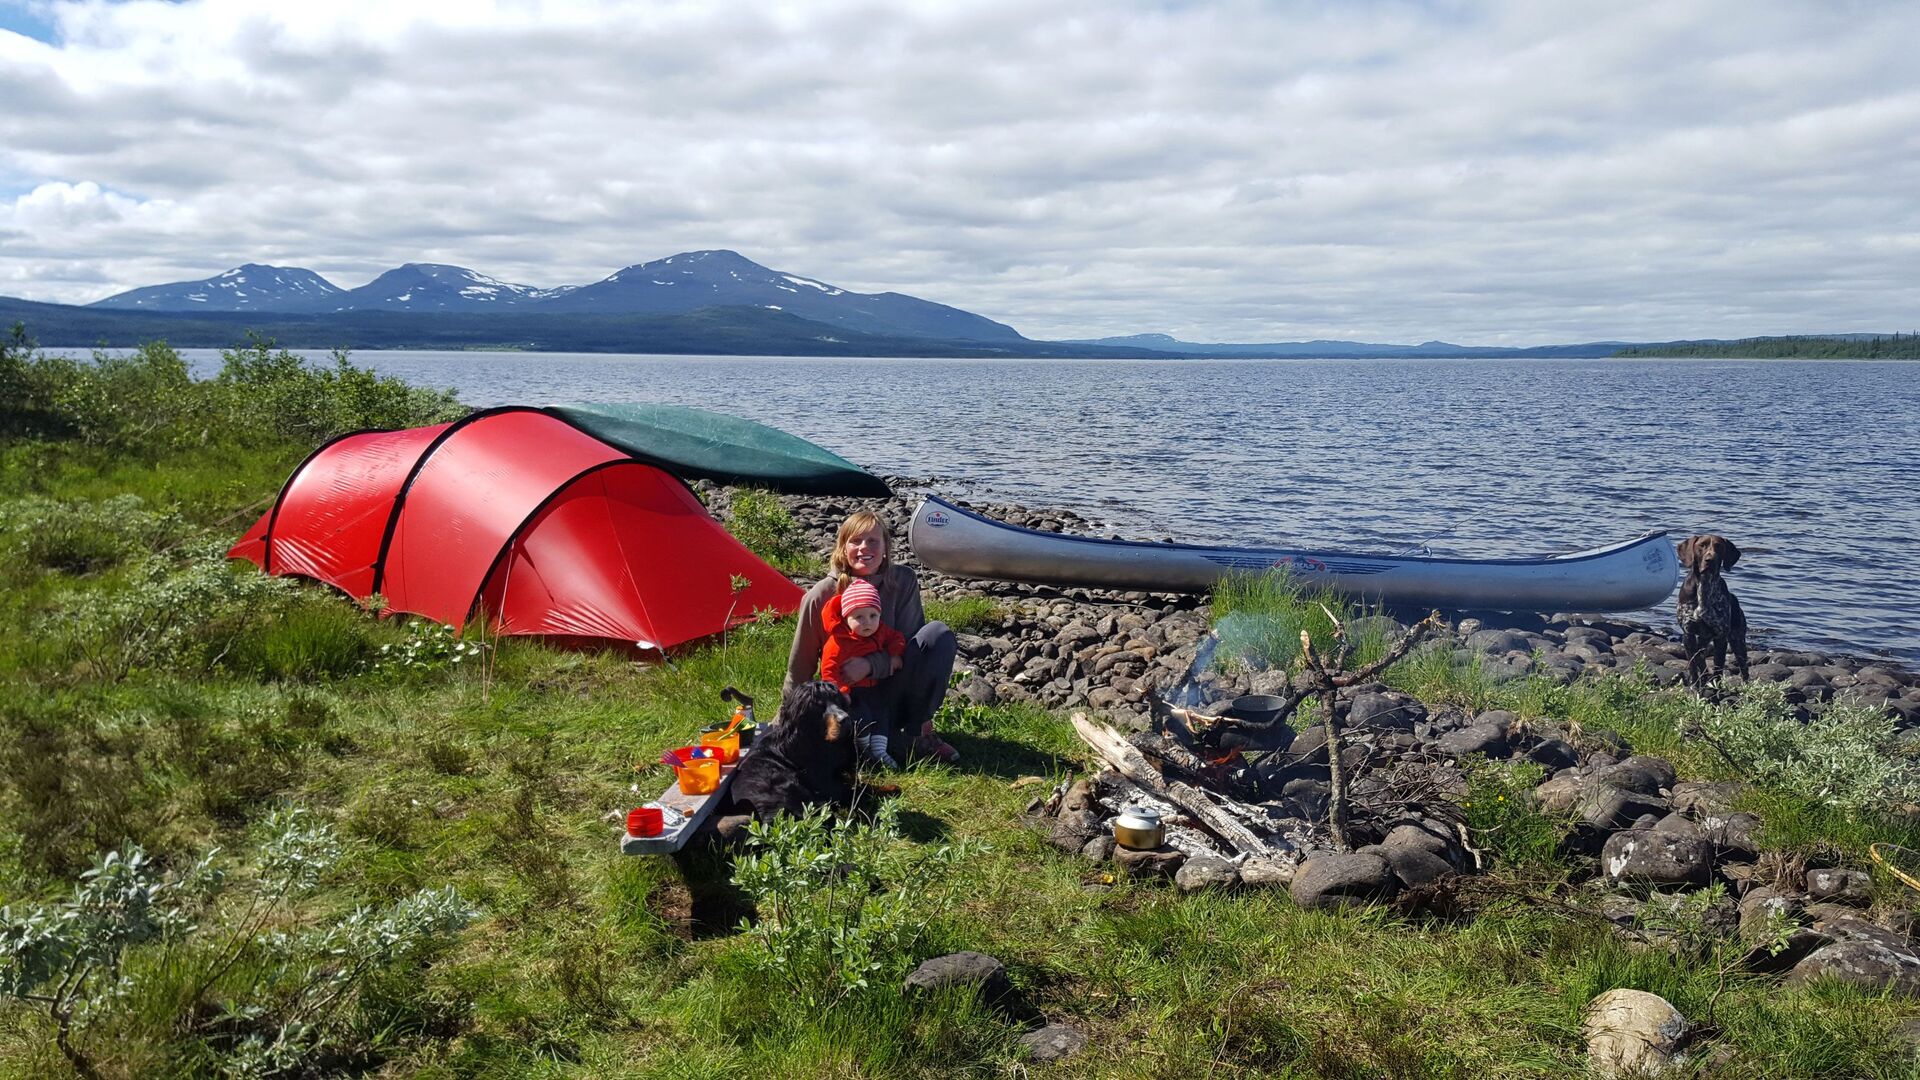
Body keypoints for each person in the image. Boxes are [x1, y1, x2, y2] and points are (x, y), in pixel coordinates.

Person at [785, 511, 960, 762]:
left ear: (886, 547)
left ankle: (917, 733)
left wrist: (869, 666)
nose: (864, 548)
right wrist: (786, 724)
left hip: (891, 691)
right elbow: (799, 667)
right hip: (847, 698)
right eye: (855, 541)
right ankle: (862, 739)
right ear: (843, 548)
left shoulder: (903, 581)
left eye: (873, 541)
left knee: (937, 635)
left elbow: (912, 650)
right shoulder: (821, 595)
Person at [819, 577, 906, 767]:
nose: (867, 622)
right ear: (846, 618)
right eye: (859, 617)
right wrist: (841, 692)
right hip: (851, 692)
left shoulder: (880, 631)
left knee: (881, 713)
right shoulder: (838, 642)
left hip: (873, 687)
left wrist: (895, 654)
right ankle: (863, 751)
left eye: (873, 615)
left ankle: (880, 751)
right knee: (862, 716)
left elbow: (896, 637)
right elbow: (828, 671)